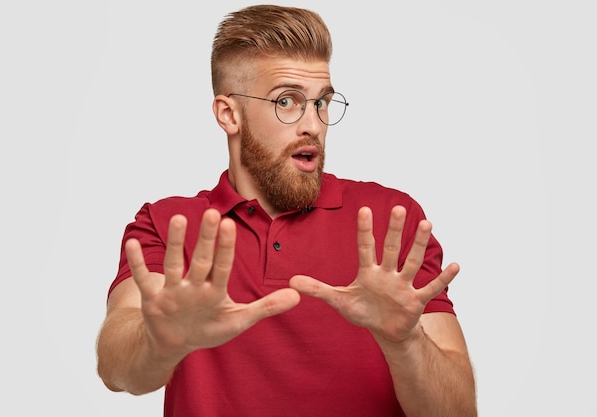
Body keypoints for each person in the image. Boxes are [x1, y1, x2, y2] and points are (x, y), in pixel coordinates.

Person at [96, 4, 477, 417]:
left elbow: (458, 412)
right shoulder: (167, 224)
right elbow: (116, 369)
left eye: (322, 102)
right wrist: (159, 342)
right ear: (229, 114)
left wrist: (404, 343)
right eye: (288, 101)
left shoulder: (389, 218)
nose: (313, 123)